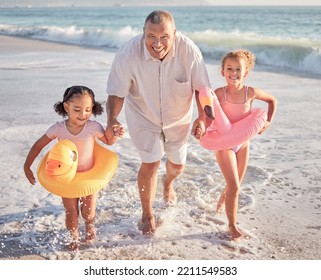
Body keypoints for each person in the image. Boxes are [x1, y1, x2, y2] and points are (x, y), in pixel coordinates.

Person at [105, 10, 211, 236]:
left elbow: (202, 89)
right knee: (151, 162)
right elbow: (116, 93)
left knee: (178, 167)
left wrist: (202, 117)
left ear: (174, 33)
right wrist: (112, 119)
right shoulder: (128, 53)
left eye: (164, 37)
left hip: (177, 119)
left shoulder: (189, 51)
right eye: (151, 36)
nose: (157, 43)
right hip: (143, 115)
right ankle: (147, 214)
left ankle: (168, 183)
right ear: (143, 33)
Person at [24, 85, 116, 250]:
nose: (83, 114)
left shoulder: (93, 127)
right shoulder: (58, 128)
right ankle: (73, 238)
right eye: (77, 109)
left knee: (88, 213)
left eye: (88, 109)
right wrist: (27, 166)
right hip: (66, 177)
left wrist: (115, 133)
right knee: (71, 212)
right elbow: (38, 146)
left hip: (89, 176)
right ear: (66, 107)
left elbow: (109, 141)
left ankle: (89, 225)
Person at [198, 49, 277, 240]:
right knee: (234, 186)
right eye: (229, 69)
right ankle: (232, 226)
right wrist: (201, 126)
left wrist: (268, 122)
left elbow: (272, 100)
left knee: (235, 184)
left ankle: (222, 202)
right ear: (223, 72)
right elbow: (208, 117)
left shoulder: (251, 92)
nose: (234, 73)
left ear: (246, 72)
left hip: (242, 145)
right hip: (225, 146)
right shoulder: (218, 94)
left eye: (238, 69)